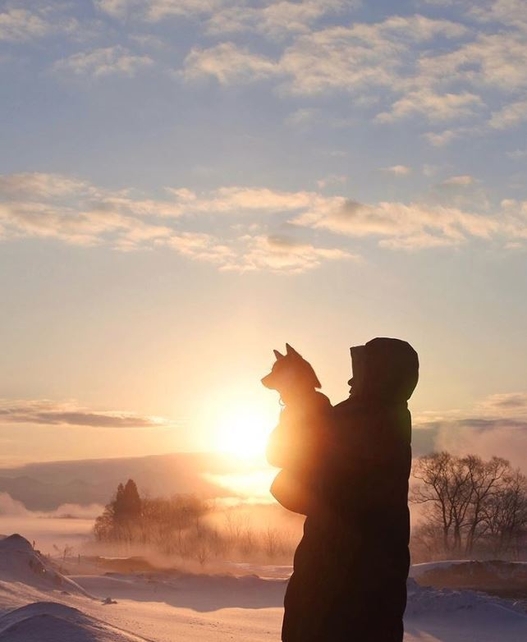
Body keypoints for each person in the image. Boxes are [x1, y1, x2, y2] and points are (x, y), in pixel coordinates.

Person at [265, 337, 419, 642]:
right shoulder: (382, 419)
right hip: (356, 589)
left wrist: (300, 400)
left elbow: (285, 464)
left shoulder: (367, 423)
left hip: (337, 592)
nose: (350, 381)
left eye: (359, 373)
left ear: (378, 377)